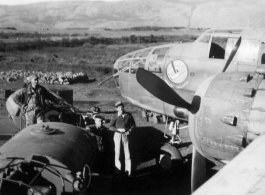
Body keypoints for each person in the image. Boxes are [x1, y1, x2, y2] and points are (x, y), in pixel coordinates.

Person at [109, 101, 136, 177]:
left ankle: (128, 171)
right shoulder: (115, 116)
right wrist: (117, 130)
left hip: (126, 134)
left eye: (122, 107)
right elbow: (110, 126)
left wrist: (129, 131)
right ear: (117, 109)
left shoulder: (128, 115)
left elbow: (133, 125)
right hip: (117, 135)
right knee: (117, 152)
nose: (121, 108)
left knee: (127, 152)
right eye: (119, 107)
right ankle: (117, 171)